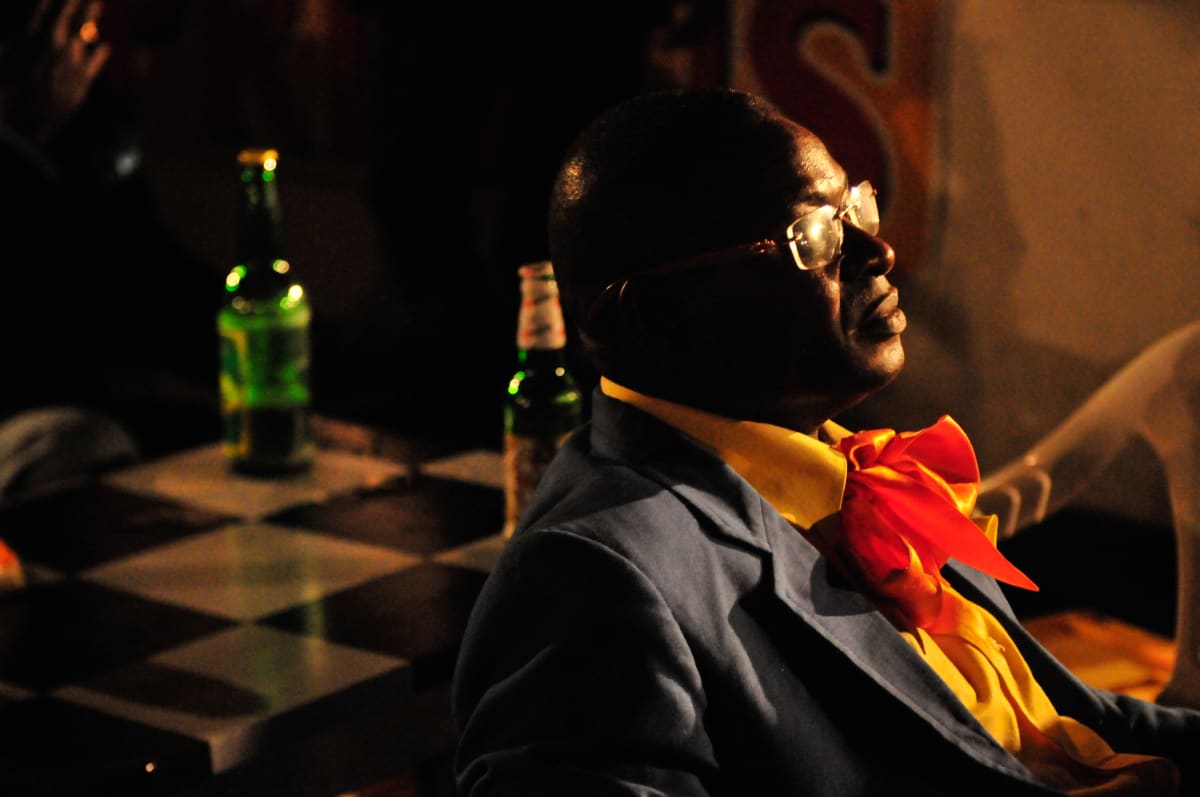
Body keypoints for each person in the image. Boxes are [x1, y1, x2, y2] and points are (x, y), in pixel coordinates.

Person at [451, 87, 1200, 795]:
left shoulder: (862, 476)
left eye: (855, 211)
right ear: (652, 316)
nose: (877, 253)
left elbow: (1066, 728)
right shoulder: (592, 580)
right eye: (813, 236)